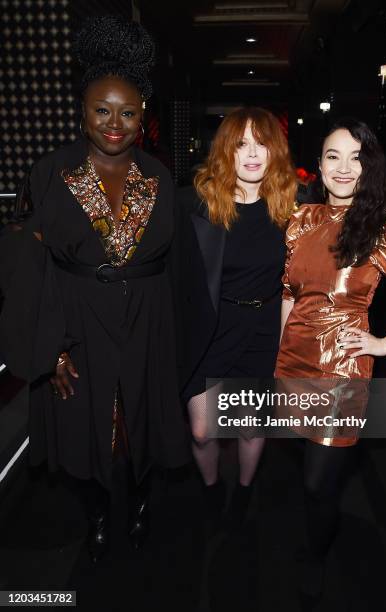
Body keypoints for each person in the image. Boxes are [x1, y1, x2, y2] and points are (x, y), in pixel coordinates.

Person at [0, 16, 189, 561]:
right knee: (87, 439)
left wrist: (173, 347)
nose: (114, 123)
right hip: (76, 327)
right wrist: (48, 345)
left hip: (146, 326)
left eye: (126, 112)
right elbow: (30, 263)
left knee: (140, 435)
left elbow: (174, 269)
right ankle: (100, 514)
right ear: (81, 112)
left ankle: (140, 505)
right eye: (102, 110)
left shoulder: (159, 177)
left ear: (142, 116)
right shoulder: (50, 173)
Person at [275, 118, 386, 605]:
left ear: (369, 166)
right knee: (311, 470)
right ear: (320, 165)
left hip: (343, 369)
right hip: (293, 362)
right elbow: (288, 293)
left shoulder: (385, 225)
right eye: (333, 156)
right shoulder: (302, 219)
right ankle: (316, 533)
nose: (344, 167)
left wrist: (385, 344)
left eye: (356, 157)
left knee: (317, 481)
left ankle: (316, 554)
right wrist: (277, 354)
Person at [176, 107, 297, 527]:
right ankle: (210, 486)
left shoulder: (292, 211)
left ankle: (245, 489)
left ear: (274, 152)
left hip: (262, 329)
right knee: (202, 430)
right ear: (225, 151)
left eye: (261, 143)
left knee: (249, 428)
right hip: (210, 329)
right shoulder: (197, 206)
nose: (251, 153)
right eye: (241, 143)